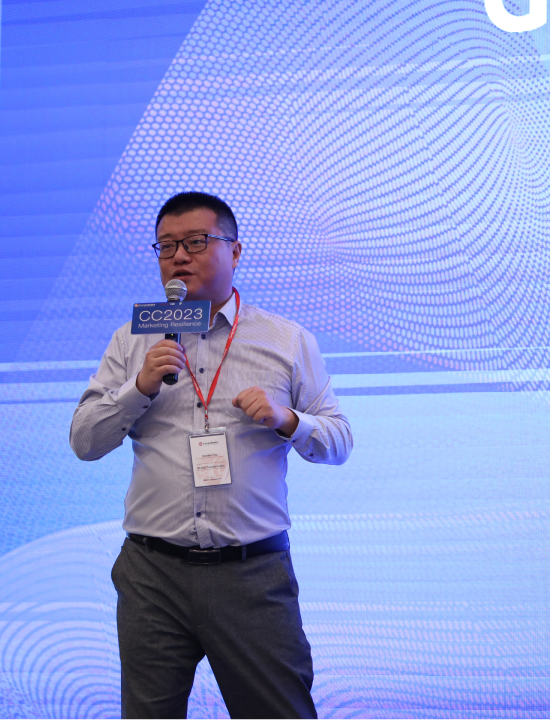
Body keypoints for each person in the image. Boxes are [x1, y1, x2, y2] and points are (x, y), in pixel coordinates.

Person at [69, 191, 352, 720]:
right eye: (166, 246)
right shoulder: (133, 339)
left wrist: (287, 418)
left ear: (235, 251)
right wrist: (138, 388)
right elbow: (84, 441)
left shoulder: (285, 340)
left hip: (251, 574)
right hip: (152, 573)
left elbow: (339, 441)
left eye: (196, 242)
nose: (179, 257)